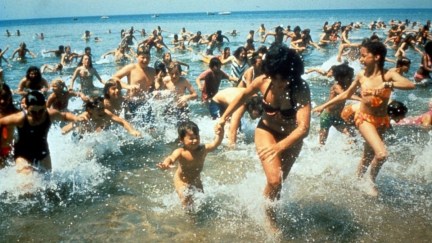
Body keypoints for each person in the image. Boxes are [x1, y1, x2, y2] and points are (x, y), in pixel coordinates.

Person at [216, 44, 311, 230]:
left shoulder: (300, 87)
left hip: (292, 138)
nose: (280, 83)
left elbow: (304, 129)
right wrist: (223, 118)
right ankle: (270, 221)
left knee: (278, 182)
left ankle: (267, 206)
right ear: (270, 72)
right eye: (276, 78)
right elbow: (243, 95)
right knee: (274, 179)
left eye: (285, 79)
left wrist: (279, 147)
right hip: (266, 130)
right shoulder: (262, 81)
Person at [313, 41, 415, 197]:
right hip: (364, 118)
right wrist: (323, 105)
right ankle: (370, 182)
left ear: (376, 57)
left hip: (381, 120)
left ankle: (357, 180)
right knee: (381, 154)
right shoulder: (361, 75)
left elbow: (409, 84)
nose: (360, 59)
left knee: (367, 156)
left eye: (363, 55)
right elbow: (345, 95)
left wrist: (386, 84)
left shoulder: (388, 74)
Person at [0, 91, 84, 173]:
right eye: (33, 112)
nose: (37, 115)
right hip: (22, 154)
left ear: (45, 105)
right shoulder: (20, 118)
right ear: (26, 108)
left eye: (41, 111)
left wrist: (76, 118)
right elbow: (1, 122)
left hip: (42, 152)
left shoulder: (50, 114)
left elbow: (65, 116)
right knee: (27, 182)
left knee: (47, 182)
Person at [157, 120, 224, 209]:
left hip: (196, 180)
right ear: (181, 140)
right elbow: (171, 157)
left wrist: (220, 134)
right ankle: (190, 220)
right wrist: (165, 163)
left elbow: (215, 144)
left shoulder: (203, 149)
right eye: (191, 138)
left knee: (202, 202)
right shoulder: (181, 152)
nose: (195, 140)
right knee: (186, 200)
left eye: (197, 137)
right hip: (181, 180)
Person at [318, 63, 360, 145]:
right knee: (322, 141)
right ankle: (319, 151)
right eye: (349, 77)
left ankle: (350, 150)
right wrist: (360, 99)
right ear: (340, 78)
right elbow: (345, 95)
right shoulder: (336, 86)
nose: (351, 78)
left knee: (350, 134)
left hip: (337, 116)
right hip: (327, 116)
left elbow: (354, 90)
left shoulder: (347, 85)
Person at [61, 97, 141, 137]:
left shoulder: (106, 113)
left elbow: (122, 121)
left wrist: (132, 130)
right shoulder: (83, 118)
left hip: (93, 136)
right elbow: (63, 131)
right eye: (99, 109)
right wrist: (76, 122)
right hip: (80, 138)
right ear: (90, 110)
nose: (102, 111)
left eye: (103, 108)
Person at [0, 84, 19, 169]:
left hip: (10, 150)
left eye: (5, 98)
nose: (2, 101)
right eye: (0, 98)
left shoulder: (16, 112)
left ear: (10, 97)